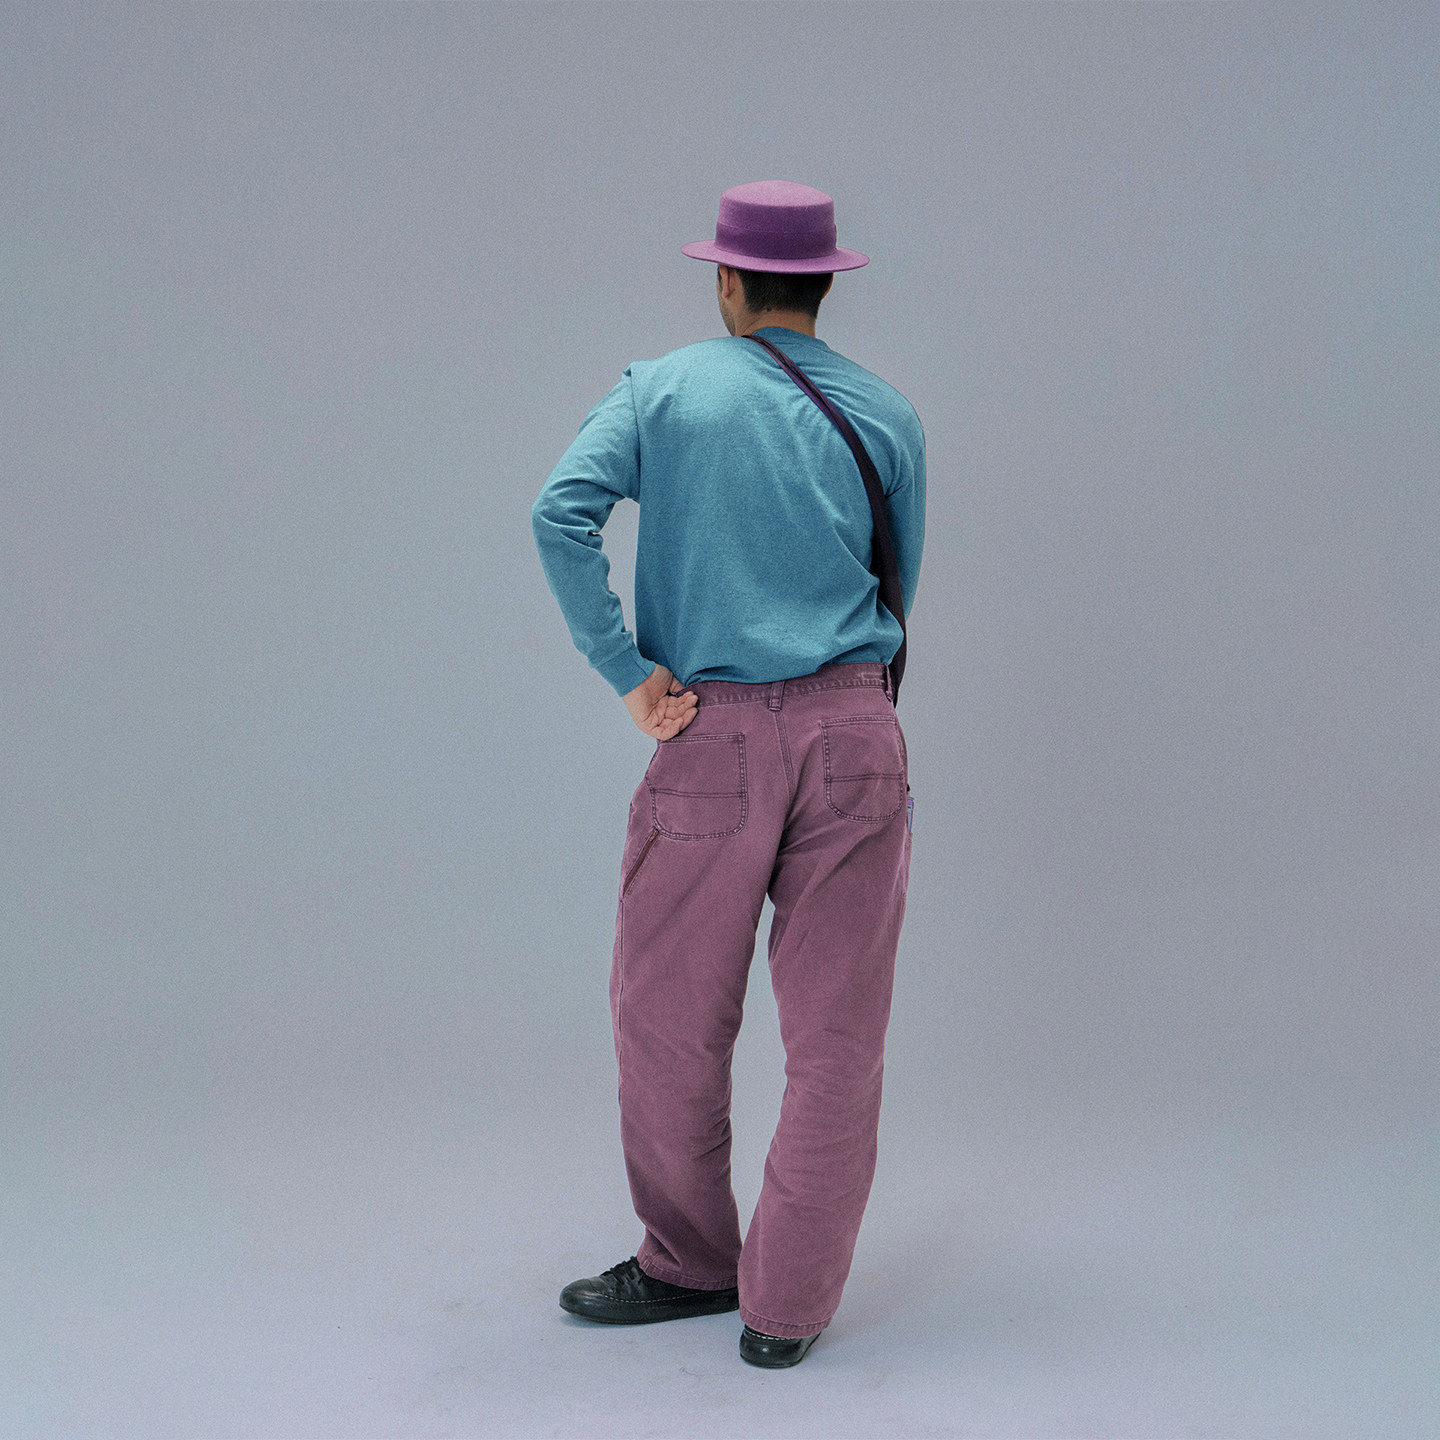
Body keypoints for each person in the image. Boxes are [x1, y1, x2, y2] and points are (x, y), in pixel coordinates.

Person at [530, 180, 925, 1368]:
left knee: (668, 1021)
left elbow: (561, 515)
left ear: (728, 281)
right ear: (825, 285)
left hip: (710, 733)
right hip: (856, 735)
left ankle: (689, 1263)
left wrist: (629, 674)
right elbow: (897, 585)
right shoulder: (889, 414)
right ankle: (786, 1310)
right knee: (838, 1040)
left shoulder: (662, 389)